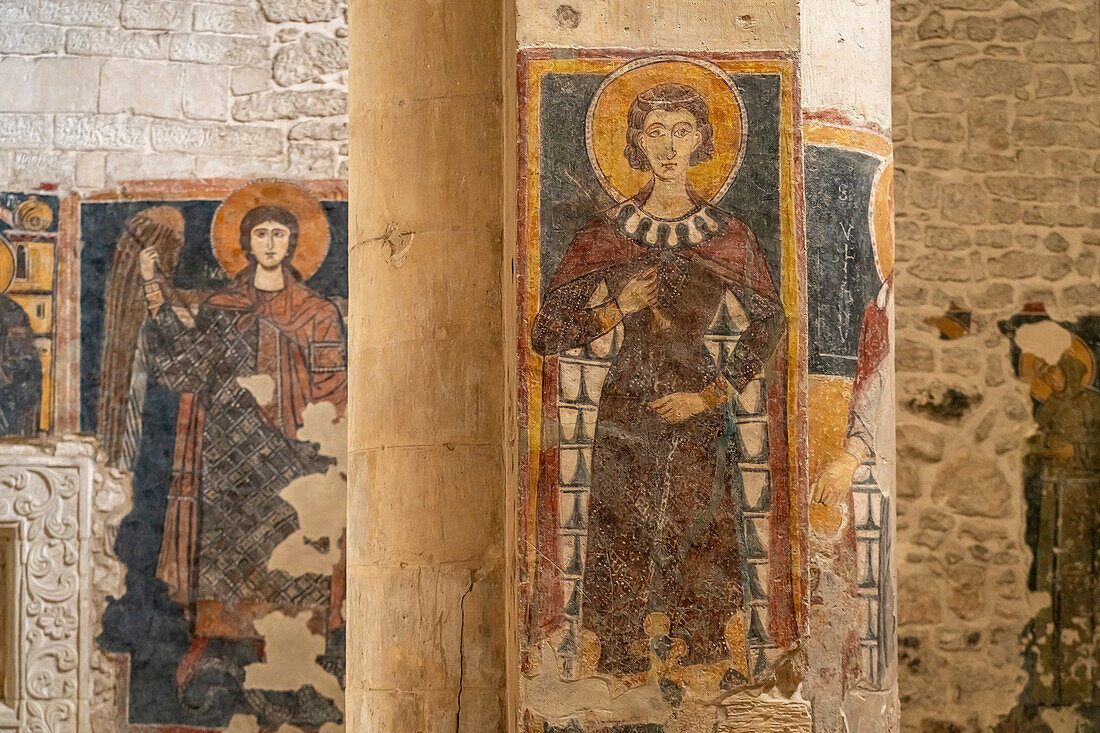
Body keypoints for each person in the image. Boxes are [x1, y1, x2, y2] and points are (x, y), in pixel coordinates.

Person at [531, 83, 786, 674]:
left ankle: (699, 651)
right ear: (636, 143)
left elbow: (770, 324)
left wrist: (711, 394)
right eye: (655, 132)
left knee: (699, 518)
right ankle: (620, 655)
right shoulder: (605, 233)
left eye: (681, 131)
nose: (668, 146)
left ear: (702, 140)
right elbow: (546, 332)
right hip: (628, 399)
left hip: (697, 397)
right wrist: (616, 307)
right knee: (622, 520)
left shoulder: (729, 236)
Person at [138, 204, 347, 676]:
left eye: (279, 233)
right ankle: (213, 641)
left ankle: (290, 652)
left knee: (292, 548)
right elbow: (187, 366)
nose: (270, 243)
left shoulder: (317, 312)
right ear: (246, 244)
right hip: (227, 452)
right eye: (261, 234)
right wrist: (154, 288)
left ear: (293, 243)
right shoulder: (221, 307)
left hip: (293, 453)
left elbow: (335, 385)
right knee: (227, 551)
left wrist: (329, 438)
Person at [1028, 349, 1100, 705]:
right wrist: (1044, 450)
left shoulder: (1092, 404)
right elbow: (1034, 442)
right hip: (1052, 494)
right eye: (1044, 373)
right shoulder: (1050, 407)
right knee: (1050, 571)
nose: (1050, 379)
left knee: (1079, 571)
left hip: (1083, 498)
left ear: (1070, 369)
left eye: (1054, 370)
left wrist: (1077, 452)